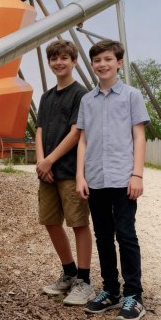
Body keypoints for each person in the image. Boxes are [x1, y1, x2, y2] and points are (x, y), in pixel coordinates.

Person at [75, 40, 150, 320]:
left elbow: (139, 135)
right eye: (97, 60)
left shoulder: (131, 96)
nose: (102, 64)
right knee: (103, 236)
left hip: (123, 178)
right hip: (95, 178)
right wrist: (80, 175)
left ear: (119, 62)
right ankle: (110, 289)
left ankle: (134, 294)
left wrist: (137, 174)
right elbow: (82, 140)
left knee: (126, 235)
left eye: (108, 59)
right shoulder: (87, 100)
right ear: (92, 65)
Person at [35, 40, 94, 306]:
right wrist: (41, 163)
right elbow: (39, 131)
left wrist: (50, 160)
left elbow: (76, 132)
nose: (59, 63)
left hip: (70, 170)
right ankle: (68, 272)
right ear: (49, 63)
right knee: (50, 221)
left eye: (64, 58)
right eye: (54, 59)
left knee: (78, 223)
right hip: (46, 172)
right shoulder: (46, 97)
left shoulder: (80, 94)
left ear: (74, 61)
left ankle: (84, 279)